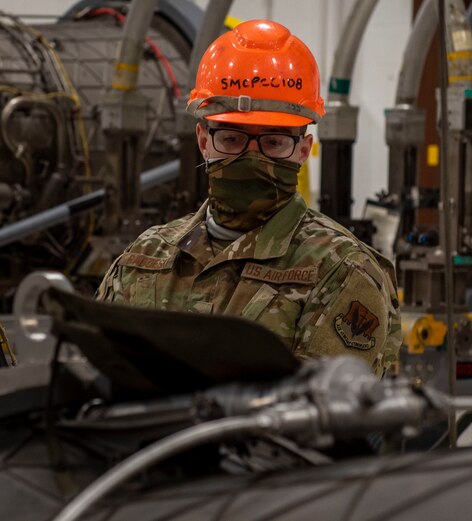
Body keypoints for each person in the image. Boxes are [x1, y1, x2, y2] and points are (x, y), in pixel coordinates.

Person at [96, 20, 401, 376]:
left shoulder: (340, 270)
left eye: (273, 142)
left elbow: (315, 419)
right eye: (232, 138)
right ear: (203, 139)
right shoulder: (145, 257)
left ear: (303, 149)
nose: (251, 157)